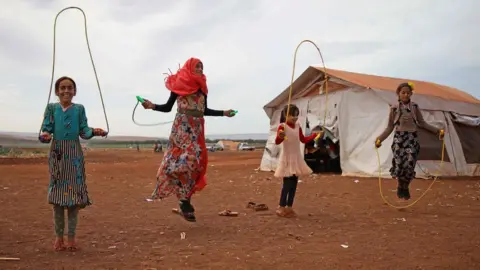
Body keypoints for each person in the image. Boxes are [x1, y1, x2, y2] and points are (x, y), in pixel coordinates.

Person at [141, 57, 235, 222]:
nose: (200, 69)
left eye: (202, 66)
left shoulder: (202, 89)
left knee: (197, 164)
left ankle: (185, 199)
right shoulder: (179, 86)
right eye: (197, 66)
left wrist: (224, 113)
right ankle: (183, 201)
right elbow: (167, 107)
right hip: (182, 128)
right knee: (186, 159)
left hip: (197, 128)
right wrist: (152, 106)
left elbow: (204, 110)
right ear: (190, 68)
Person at [38, 76, 108, 251]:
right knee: (58, 199)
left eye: (70, 88)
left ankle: (71, 239)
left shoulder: (79, 109)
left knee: (74, 199)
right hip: (57, 154)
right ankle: (58, 238)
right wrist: (45, 135)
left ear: (74, 91)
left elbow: (84, 131)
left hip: (74, 155)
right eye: (62, 88)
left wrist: (94, 131)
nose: (66, 91)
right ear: (56, 91)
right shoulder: (51, 108)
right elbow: (46, 129)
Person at [375, 82, 444, 200]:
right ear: (398, 94)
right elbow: (390, 127)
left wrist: (437, 131)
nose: (405, 95)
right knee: (399, 165)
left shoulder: (415, 107)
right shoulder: (394, 109)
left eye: (408, 93)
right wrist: (380, 139)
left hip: (412, 138)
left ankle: (405, 186)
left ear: (411, 94)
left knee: (410, 163)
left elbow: (422, 123)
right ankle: (400, 186)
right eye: (403, 92)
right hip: (399, 139)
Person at [274, 104, 320, 217]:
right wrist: (280, 136)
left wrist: (314, 135)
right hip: (287, 158)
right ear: (286, 115)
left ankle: (289, 207)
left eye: (296, 115)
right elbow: (277, 141)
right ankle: (281, 207)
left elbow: (303, 139)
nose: (294, 117)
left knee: (294, 184)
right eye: (292, 115)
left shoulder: (298, 126)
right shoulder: (282, 126)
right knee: (287, 184)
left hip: (297, 158)